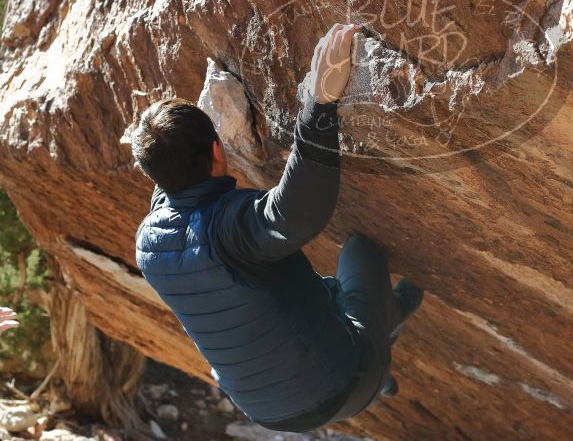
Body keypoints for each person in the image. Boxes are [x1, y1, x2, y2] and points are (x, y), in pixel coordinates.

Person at [132, 23, 423, 432]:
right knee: (361, 251)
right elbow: (296, 212)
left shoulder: (149, 243)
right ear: (218, 149)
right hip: (341, 383)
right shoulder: (227, 230)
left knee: (318, 292)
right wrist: (320, 103)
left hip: (267, 412)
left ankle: (377, 356)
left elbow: (172, 175)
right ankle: (378, 350)